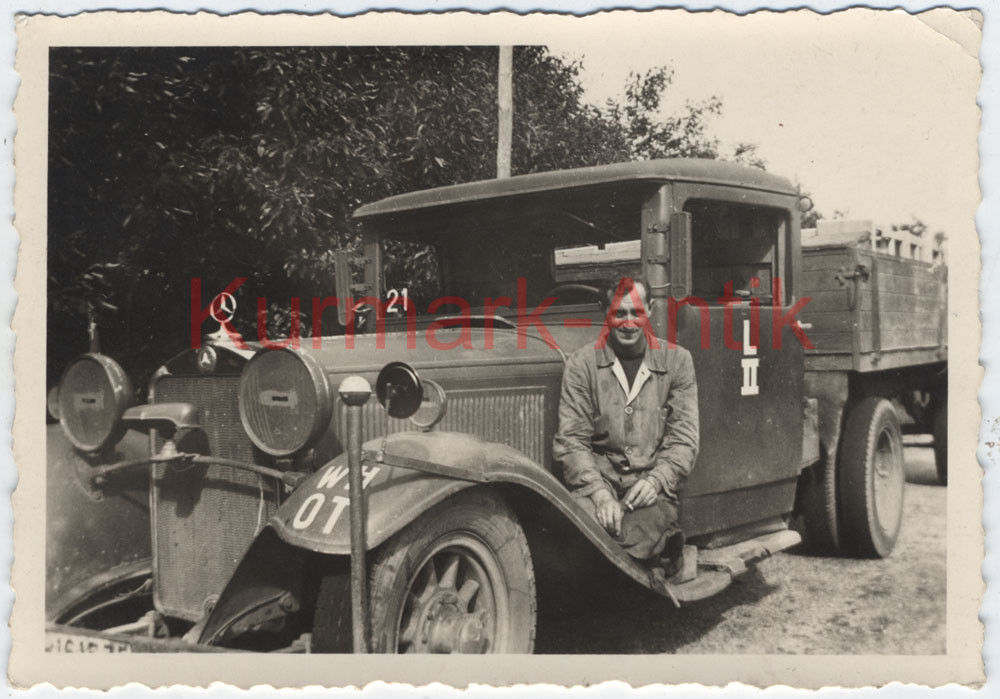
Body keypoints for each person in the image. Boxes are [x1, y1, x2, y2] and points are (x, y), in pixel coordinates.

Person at [552, 276, 699, 574]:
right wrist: (599, 493)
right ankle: (653, 554)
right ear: (605, 311)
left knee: (636, 533)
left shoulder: (678, 361)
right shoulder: (581, 365)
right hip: (599, 484)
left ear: (650, 309)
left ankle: (663, 546)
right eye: (619, 313)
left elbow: (684, 439)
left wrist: (656, 481)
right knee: (581, 530)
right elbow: (572, 441)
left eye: (637, 313)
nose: (629, 323)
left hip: (651, 488)